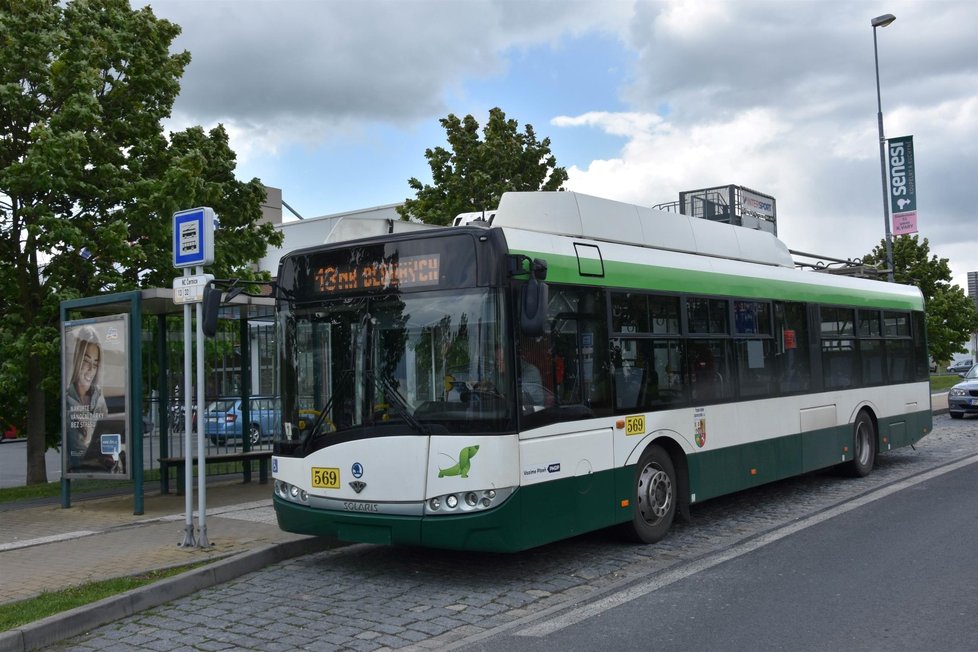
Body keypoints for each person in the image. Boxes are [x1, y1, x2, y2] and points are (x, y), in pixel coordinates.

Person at [65, 325, 108, 471]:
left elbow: (108, 439)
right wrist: (89, 436)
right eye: (86, 361)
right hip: (81, 468)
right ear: (78, 360)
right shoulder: (67, 401)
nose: (91, 369)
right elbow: (77, 458)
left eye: (95, 364)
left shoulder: (99, 398)